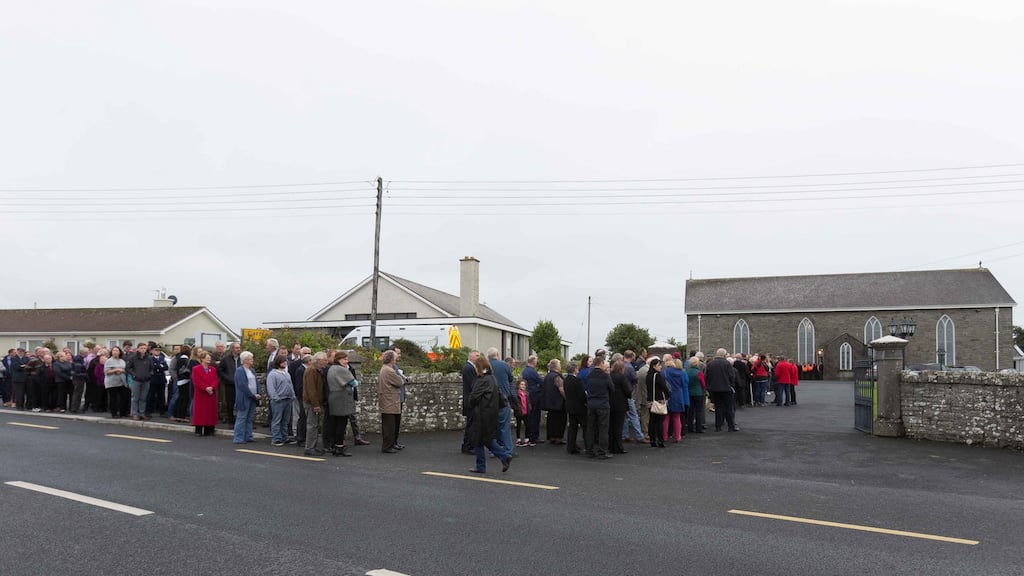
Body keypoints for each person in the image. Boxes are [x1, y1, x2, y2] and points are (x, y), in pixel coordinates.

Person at [467, 355, 513, 474]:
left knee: (478, 439)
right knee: (487, 439)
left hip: (482, 414)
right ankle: (503, 457)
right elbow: (499, 395)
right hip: (492, 413)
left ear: (478, 367)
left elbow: (473, 397)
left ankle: (482, 465)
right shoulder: (492, 378)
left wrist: (470, 403)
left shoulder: (481, 380)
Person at [325, 351, 357, 456]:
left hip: (333, 397)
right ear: (339, 359)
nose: (347, 361)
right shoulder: (341, 369)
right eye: (345, 359)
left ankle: (335, 445)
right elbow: (354, 382)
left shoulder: (331, 368)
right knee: (341, 424)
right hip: (342, 398)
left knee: (335, 423)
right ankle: (339, 447)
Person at [486, 347, 515, 455]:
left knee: (492, 426)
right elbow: (511, 379)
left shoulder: (486, 366)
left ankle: (494, 450)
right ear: (497, 354)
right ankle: (507, 450)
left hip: (489, 401)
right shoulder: (504, 365)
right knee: (504, 427)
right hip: (503, 399)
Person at [584, 356, 614, 459]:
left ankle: (589, 451)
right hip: (603, 404)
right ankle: (602, 452)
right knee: (603, 429)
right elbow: (612, 388)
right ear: (601, 363)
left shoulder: (589, 375)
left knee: (590, 428)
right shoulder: (605, 376)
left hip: (591, 403)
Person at [706, 348, 740, 432]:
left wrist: (710, 386)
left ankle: (718, 426)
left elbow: (707, 376)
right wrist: (731, 385)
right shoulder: (727, 363)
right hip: (726, 388)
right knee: (729, 407)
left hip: (714, 389)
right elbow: (731, 376)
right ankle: (731, 426)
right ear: (723, 355)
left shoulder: (710, 364)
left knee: (718, 408)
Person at [378, 350, 404, 454]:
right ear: (391, 359)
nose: (397, 358)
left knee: (390, 424)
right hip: (390, 400)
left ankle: (390, 444)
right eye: (395, 357)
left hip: (388, 399)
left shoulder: (385, 369)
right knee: (390, 425)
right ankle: (387, 446)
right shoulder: (389, 370)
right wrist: (401, 377)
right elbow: (400, 382)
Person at [302, 352, 328, 456]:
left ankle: (313, 446)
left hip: (315, 402)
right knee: (312, 425)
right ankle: (309, 447)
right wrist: (316, 404)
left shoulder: (317, 370)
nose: (326, 362)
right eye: (324, 360)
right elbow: (311, 389)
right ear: (318, 360)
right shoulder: (311, 371)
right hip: (311, 403)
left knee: (315, 425)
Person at [266, 355, 295, 447]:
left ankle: (284, 437)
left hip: (288, 399)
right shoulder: (273, 374)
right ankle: (276, 438)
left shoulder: (286, 373)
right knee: (277, 419)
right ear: (278, 363)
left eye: (286, 361)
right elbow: (271, 388)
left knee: (285, 420)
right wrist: (275, 397)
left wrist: (292, 395)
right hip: (278, 400)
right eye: (283, 362)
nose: (285, 363)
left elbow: (290, 385)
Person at [233, 351, 261, 444]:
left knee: (249, 418)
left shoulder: (252, 370)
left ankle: (248, 436)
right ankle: (238, 437)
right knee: (242, 417)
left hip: (253, 397)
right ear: (245, 360)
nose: (252, 360)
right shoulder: (240, 370)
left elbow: (256, 383)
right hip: (244, 397)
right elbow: (242, 385)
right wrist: (252, 394)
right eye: (250, 358)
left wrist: (258, 393)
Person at [191, 351, 219, 436]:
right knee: (200, 411)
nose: (209, 359)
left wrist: (212, 387)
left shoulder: (213, 369)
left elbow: (216, 379)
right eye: (207, 358)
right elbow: (196, 381)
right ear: (202, 359)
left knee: (210, 411)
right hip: (201, 393)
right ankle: (199, 429)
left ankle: (209, 429)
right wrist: (205, 388)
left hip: (211, 394)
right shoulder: (196, 369)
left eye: (209, 358)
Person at [620, 350, 645, 445]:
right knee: (633, 415)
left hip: (620, 394)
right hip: (628, 392)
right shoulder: (629, 368)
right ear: (632, 357)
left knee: (624, 416)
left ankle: (625, 435)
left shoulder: (620, 365)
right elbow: (635, 379)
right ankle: (640, 436)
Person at [561, 362, 586, 454]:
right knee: (585, 426)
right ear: (575, 369)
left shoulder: (566, 380)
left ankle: (570, 447)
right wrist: (585, 402)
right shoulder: (577, 381)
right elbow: (581, 395)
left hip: (570, 406)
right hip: (579, 407)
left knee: (572, 428)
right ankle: (588, 446)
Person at [663, 356, 689, 442]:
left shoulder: (664, 372)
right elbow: (683, 384)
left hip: (667, 396)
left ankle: (665, 436)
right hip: (678, 395)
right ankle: (678, 437)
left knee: (666, 418)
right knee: (677, 417)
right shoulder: (681, 372)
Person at [609, 358, 632, 455]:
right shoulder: (622, 378)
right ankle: (619, 447)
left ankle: (610, 446)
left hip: (609, 404)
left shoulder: (609, 376)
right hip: (620, 404)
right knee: (619, 427)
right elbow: (628, 391)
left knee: (610, 427)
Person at [646, 358, 670, 448]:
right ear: (654, 366)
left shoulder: (648, 376)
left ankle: (652, 439)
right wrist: (668, 395)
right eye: (659, 365)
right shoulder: (658, 376)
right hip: (659, 400)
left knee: (652, 420)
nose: (661, 367)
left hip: (650, 400)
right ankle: (660, 440)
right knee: (660, 421)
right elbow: (664, 387)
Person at [460, 350, 481, 454]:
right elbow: (473, 385)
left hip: (469, 400)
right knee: (472, 424)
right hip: (470, 401)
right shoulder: (469, 368)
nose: (478, 357)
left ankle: (467, 445)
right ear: (471, 356)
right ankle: (469, 446)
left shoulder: (470, 367)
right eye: (477, 355)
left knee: (471, 424)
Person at [125, 342, 153, 421]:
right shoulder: (133, 357)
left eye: (144, 348)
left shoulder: (149, 358)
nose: (143, 350)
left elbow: (151, 369)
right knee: (135, 398)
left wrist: (149, 375)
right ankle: (135, 413)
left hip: (146, 380)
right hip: (136, 380)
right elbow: (128, 368)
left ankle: (142, 413)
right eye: (141, 348)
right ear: (138, 349)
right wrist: (134, 374)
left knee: (143, 398)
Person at [542, 359, 566, 444]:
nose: (560, 366)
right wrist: (566, 398)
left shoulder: (547, 376)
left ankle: (551, 436)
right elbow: (561, 389)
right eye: (559, 364)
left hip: (549, 402)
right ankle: (558, 437)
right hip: (558, 403)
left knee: (551, 419)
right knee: (560, 420)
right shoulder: (557, 377)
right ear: (556, 366)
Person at [521, 355, 544, 446]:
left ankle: (529, 435)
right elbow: (541, 382)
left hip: (527, 395)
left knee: (529, 416)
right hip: (534, 395)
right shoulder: (532, 372)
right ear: (533, 361)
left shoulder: (524, 371)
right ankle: (534, 436)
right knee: (535, 416)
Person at [216, 342, 241, 424]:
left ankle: (240, 420)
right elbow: (220, 370)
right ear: (232, 349)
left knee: (240, 402)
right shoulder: (226, 359)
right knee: (230, 403)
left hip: (240, 384)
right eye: (237, 348)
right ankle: (231, 420)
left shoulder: (242, 359)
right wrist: (227, 378)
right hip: (230, 384)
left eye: (239, 348)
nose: (238, 349)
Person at [170, 345, 193, 422]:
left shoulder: (180, 359)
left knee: (180, 398)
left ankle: (178, 414)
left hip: (180, 380)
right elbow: (184, 370)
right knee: (184, 399)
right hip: (185, 380)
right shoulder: (185, 359)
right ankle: (182, 416)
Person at [104, 346, 129, 418]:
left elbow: (126, 370)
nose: (115, 352)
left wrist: (121, 370)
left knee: (123, 397)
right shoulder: (109, 361)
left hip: (121, 382)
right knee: (113, 398)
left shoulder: (122, 361)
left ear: (119, 352)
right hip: (112, 382)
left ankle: (123, 412)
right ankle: (114, 413)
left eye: (117, 351)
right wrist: (116, 370)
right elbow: (106, 372)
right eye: (113, 350)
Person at [146, 345, 168, 418]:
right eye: (156, 350)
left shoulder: (162, 358)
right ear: (152, 351)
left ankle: (162, 412)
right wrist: (159, 366)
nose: (157, 351)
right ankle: (148, 411)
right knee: (151, 396)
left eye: (158, 350)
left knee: (161, 396)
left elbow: (166, 367)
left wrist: (159, 366)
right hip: (153, 379)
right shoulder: (150, 358)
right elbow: (152, 367)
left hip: (161, 379)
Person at [686, 357, 706, 433]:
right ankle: (698, 428)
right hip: (698, 393)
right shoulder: (699, 372)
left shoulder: (687, 372)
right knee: (699, 411)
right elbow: (703, 384)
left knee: (690, 411)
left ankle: (690, 427)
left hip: (689, 392)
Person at [512, 378, 529, 447]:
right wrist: (516, 408)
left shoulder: (527, 393)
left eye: (524, 385)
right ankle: (518, 439)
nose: (523, 386)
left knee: (527, 425)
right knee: (518, 425)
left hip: (526, 411)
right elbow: (513, 402)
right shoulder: (516, 393)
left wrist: (529, 407)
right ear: (518, 385)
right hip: (519, 411)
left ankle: (526, 438)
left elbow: (528, 402)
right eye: (521, 384)